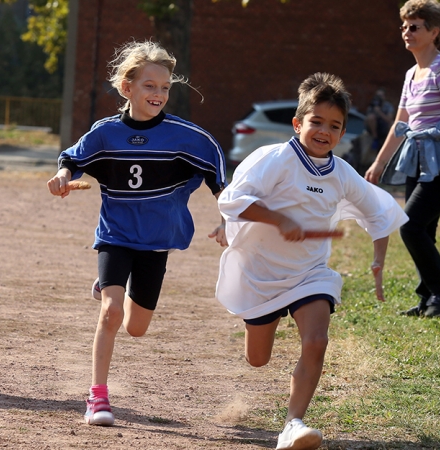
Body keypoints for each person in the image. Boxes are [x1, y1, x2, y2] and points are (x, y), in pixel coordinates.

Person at [215, 73, 407, 450]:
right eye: (316, 121)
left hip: (310, 274)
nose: (324, 131)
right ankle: (260, 330)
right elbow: (231, 201)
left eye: (334, 125)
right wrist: (279, 219)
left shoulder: (343, 174)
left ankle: (292, 424)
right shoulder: (273, 159)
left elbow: (380, 212)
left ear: (343, 132)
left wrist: (378, 262)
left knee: (317, 341)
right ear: (297, 123)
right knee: (257, 359)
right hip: (261, 273)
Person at [47, 40, 227, 426]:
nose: (158, 94)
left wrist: (229, 217)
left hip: (157, 242)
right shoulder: (106, 133)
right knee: (111, 313)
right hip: (115, 235)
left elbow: (220, 179)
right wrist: (63, 177)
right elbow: (72, 158)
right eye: (149, 86)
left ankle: (112, 288)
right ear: (126, 88)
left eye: (164, 87)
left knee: (137, 327)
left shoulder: (188, 137)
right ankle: (97, 397)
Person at [365, 0, 440, 318]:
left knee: (410, 226)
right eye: (404, 26)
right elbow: (401, 123)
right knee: (425, 229)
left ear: (434, 31)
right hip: (418, 159)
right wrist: (379, 163)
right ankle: (429, 297)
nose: (406, 32)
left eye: (414, 27)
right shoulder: (412, 74)